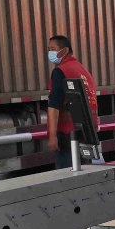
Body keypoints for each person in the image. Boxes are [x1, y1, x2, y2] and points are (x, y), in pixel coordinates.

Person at [46, 35, 99, 169]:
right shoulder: (83, 71)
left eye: (53, 49)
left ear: (65, 50)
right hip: (86, 132)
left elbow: (54, 105)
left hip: (68, 134)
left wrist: (52, 136)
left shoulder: (60, 71)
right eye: (49, 49)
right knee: (86, 174)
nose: (50, 53)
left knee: (67, 175)